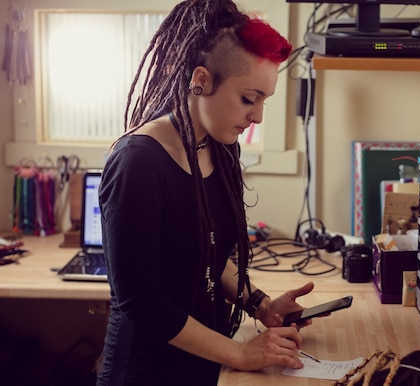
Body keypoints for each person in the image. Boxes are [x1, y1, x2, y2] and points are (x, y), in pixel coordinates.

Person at [96, 1, 314, 384]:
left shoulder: (217, 146)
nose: (258, 116)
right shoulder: (137, 163)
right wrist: (241, 353)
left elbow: (209, 256)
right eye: (250, 98)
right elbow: (139, 300)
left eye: (265, 100)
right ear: (201, 79)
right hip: (144, 372)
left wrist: (260, 304)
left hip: (205, 363)